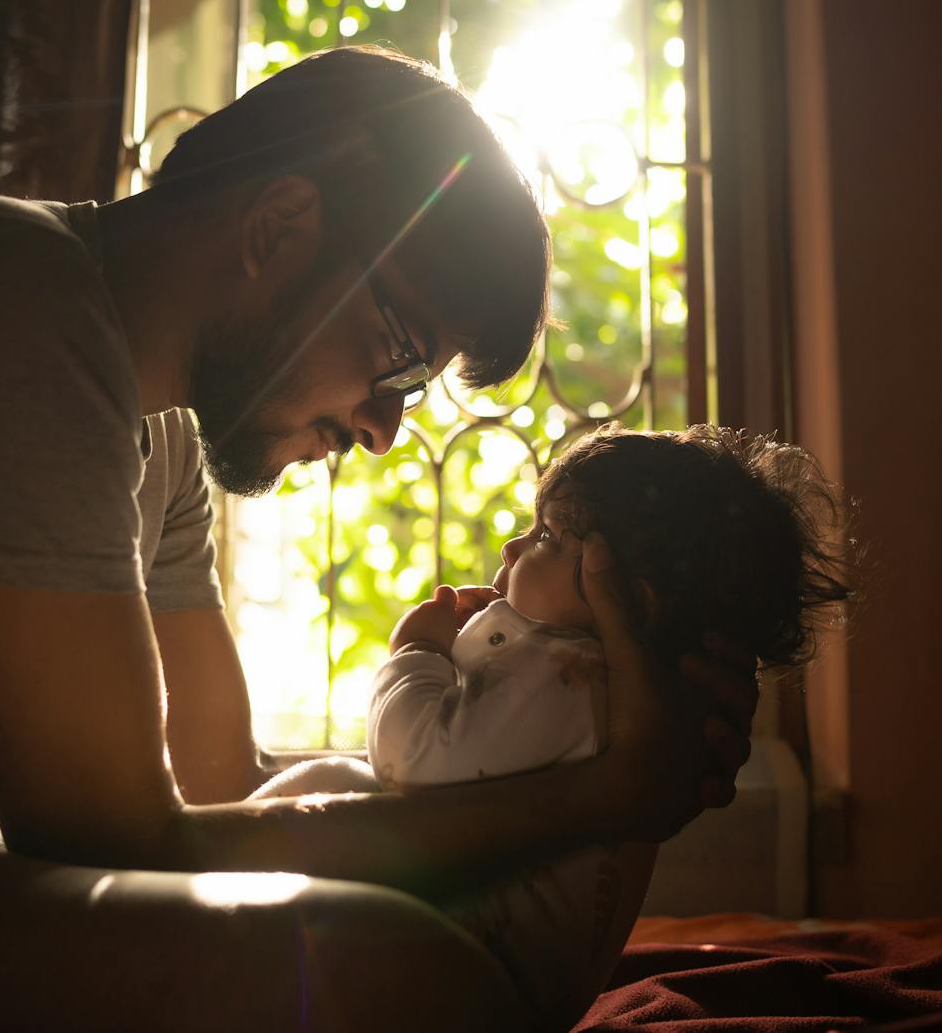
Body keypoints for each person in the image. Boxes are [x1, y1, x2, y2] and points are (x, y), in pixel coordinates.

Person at [0, 46, 757, 1032]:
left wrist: (604, 722)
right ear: (278, 227)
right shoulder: (14, 314)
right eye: (399, 356)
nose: (381, 429)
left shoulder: (158, 440)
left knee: (353, 834)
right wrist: (603, 794)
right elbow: (124, 842)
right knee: (379, 972)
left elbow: (221, 786)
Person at [255, 424, 853, 1027]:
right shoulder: (614, 697)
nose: (511, 549)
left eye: (545, 535)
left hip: (454, 987)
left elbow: (415, 763)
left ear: (629, 594)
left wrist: (415, 653)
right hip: (486, 985)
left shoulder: (572, 678)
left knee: (331, 785)